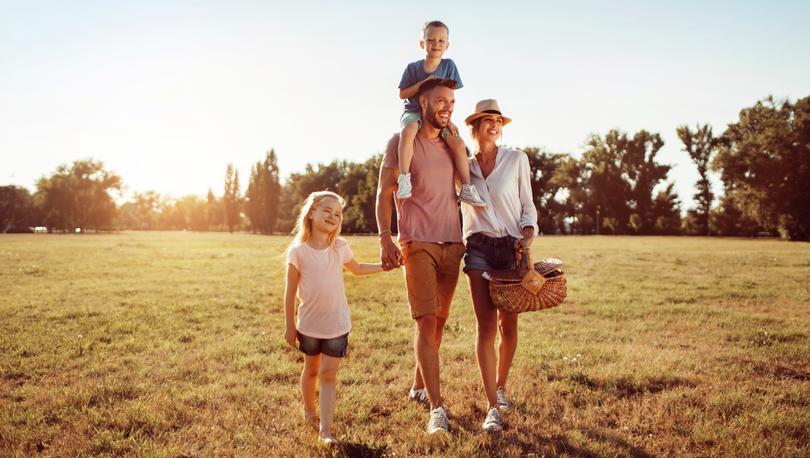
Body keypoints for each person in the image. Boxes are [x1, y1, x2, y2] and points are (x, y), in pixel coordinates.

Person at [376, 78, 466, 434]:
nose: (448, 106)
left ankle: (417, 387)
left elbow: (468, 185)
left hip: (452, 243)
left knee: (440, 320)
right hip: (417, 243)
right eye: (441, 101)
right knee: (426, 321)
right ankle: (437, 408)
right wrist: (385, 236)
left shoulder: (452, 142)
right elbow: (384, 194)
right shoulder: (401, 143)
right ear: (423, 103)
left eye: (452, 102)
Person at [283, 191, 388, 445]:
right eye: (326, 211)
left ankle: (325, 431)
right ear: (311, 213)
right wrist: (289, 326)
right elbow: (289, 293)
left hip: (337, 325)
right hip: (308, 326)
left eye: (337, 213)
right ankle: (309, 411)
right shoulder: (298, 251)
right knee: (311, 370)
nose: (333, 216)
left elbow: (358, 268)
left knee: (328, 374)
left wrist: (384, 265)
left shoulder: (339, 247)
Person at [460, 99, 538, 432]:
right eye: (487, 120)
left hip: (510, 249)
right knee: (486, 327)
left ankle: (501, 385)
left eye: (498, 120)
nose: (495, 125)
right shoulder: (462, 167)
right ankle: (492, 407)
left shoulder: (517, 159)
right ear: (475, 127)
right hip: (477, 246)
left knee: (509, 326)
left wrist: (528, 233)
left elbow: (527, 205)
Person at [396, 20, 485, 208]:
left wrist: (448, 119)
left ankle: (467, 188)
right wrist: (425, 82)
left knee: (458, 142)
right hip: (414, 112)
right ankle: (404, 178)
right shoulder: (413, 68)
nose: (436, 44)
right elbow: (403, 94)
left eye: (440, 41)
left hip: (438, 116)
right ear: (422, 43)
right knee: (409, 130)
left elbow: (449, 98)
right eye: (431, 40)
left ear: (447, 45)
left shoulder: (449, 66)